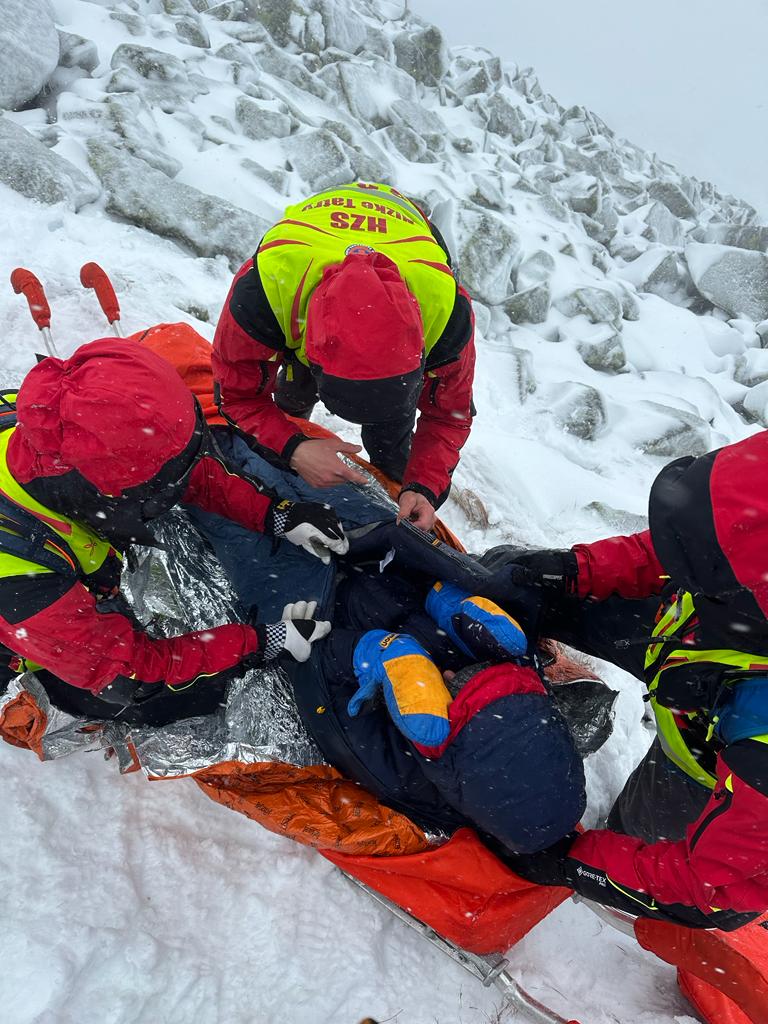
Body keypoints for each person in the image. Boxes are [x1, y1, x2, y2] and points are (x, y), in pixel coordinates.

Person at [490, 432, 768, 929]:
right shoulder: (739, 541)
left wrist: (570, 862)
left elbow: (713, 891)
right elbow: (703, 540)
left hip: (721, 770)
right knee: (517, 581)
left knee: (665, 843)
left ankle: (610, 911)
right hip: (697, 651)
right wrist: (575, 570)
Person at [0, 339, 344, 727]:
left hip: (57, 549)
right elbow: (135, 669)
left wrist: (277, 515)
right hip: (26, 621)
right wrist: (259, 643)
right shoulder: (19, 582)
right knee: (136, 697)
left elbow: (176, 471)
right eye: (153, 493)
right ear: (103, 494)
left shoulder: (50, 424)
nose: (173, 489)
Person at [212, 181, 476, 532]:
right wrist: (293, 447)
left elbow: (449, 415)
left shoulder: (446, 312)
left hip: (406, 232)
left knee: (391, 439)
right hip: (309, 269)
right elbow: (238, 395)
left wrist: (423, 486)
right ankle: (296, 418)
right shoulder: (265, 288)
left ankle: (397, 481)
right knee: (293, 394)